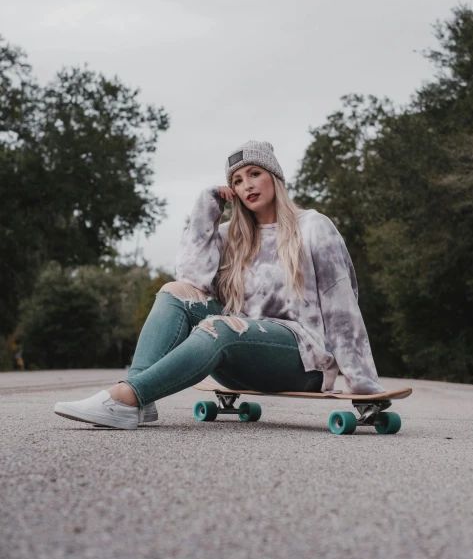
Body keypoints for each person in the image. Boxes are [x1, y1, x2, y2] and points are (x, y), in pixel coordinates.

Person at [54, 140, 385, 430]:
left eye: (255, 173)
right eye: (237, 181)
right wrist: (207, 207)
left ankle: (125, 397)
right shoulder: (232, 236)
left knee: (222, 325)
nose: (247, 185)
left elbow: (341, 305)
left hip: (302, 360)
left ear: (275, 177)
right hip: (237, 352)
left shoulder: (314, 227)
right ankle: (139, 400)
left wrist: (362, 382)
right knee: (174, 291)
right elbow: (191, 279)